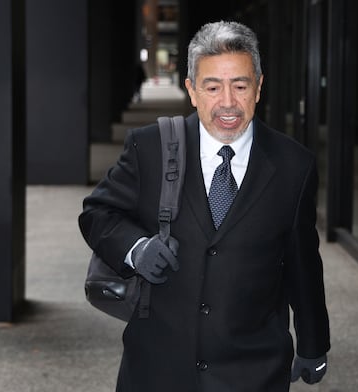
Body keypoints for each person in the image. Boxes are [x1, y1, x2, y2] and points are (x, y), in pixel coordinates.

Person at [79, 21, 330, 391]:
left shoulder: (295, 166)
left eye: (240, 86)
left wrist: (313, 343)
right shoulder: (148, 148)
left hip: (252, 369)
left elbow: (302, 262)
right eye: (212, 87)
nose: (227, 102)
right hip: (158, 367)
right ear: (192, 91)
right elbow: (97, 214)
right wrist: (136, 248)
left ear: (258, 88)